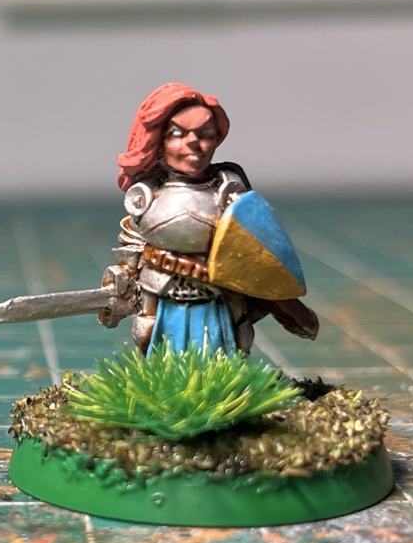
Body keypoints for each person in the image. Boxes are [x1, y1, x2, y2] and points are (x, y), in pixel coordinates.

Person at [115, 82, 319, 357]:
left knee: (235, 343)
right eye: (177, 133)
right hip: (160, 294)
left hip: (220, 298)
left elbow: (255, 244)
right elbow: (134, 241)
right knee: (148, 337)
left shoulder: (229, 189)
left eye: (205, 134)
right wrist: (125, 275)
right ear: (158, 141)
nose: (193, 143)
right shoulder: (147, 195)